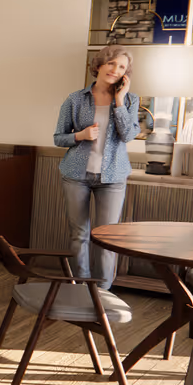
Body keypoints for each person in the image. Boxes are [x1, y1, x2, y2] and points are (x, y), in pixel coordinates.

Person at [55, 44, 139, 290]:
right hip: (75, 175)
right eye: (111, 63)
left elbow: (126, 135)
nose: (115, 69)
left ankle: (102, 292)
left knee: (107, 237)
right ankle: (81, 288)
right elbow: (58, 138)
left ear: (126, 74)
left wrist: (120, 101)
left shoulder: (130, 100)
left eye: (121, 66)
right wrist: (80, 135)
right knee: (79, 235)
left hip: (112, 177)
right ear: (100, 64)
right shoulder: (75, 99)